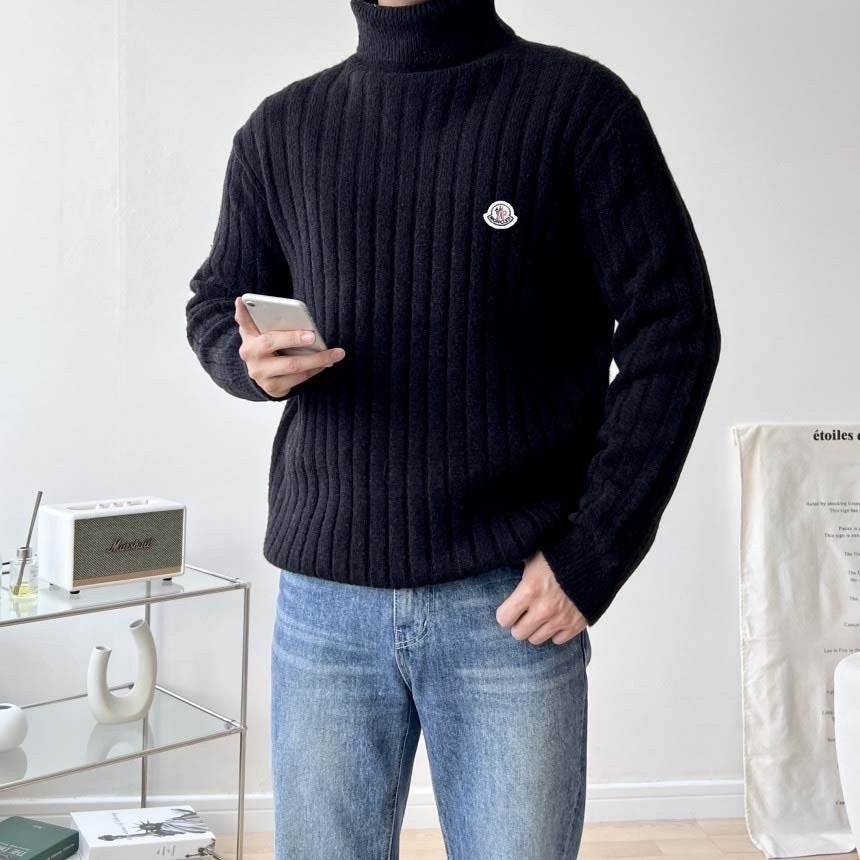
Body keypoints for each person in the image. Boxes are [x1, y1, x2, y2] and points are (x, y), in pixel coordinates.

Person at [185, 0, 721, 856]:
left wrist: (596, 551)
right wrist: (245, 359)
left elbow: (676, 329)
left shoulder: (578, 107)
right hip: (324, 605)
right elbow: (217, 299)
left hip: (509, 602)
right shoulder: (280, 129)